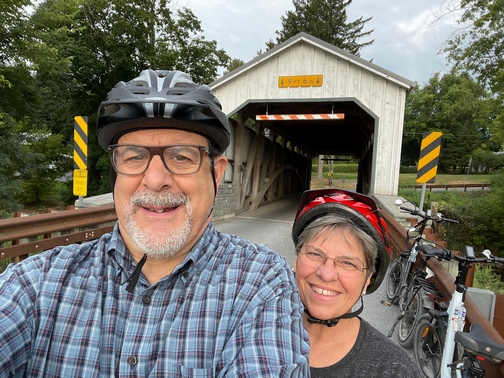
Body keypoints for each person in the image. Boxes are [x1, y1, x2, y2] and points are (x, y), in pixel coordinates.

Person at [0, 69, 310, 377]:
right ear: (115, 173)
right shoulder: (37, 283)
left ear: (216, 173)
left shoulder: (260, 283)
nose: (156, 179)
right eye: (134, 157)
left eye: (181, 157)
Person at [291, 188, 422, 377]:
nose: (326, 274)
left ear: (368, 278)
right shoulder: (252, 334)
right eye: (314, 254)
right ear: (296, 260)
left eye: (348, 263)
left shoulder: (394, 369)